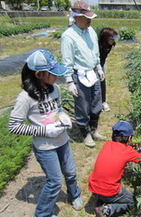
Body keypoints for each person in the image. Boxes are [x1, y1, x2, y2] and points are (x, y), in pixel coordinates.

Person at [8, 50, 83, 217]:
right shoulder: (25, 98)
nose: (57, 77)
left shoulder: (54, 89)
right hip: (45, 147)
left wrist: (63, 117)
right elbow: (14, 126)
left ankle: (74, 195)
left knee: (71, 172)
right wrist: (44, 130)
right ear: (38, 74)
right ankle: (42, 214)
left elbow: (58, 109)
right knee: (55, 181)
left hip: (62, 140)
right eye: (52, 73)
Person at [61, 0, 106, 148]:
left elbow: (95, 52)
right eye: (86, 18)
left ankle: (94, 129)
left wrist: (99, 68)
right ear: (76, 17)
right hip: (79, 75)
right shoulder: (68, 36)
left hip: (92, 72)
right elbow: (67, 61)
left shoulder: (91, 31)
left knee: (96, 104)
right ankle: (85, 133)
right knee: (82, 106)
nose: (89, 21)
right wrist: (69, 82)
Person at [88, 121, 141, 217]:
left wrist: (130, 147)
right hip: (110, 191)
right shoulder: (128, 152)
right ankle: (106, 210)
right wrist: (140, 151)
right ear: (129, 138)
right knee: (131, 201)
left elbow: (118, 152)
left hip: (93, 188)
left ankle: (102, 201)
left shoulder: (107, 144)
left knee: (105, 186)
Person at [98, 27, 120, 112]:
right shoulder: (97, 45)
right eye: (111, 38)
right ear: (105, 38)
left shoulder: (109, 45)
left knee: (102, 82)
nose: (113, 41)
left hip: (101, 64)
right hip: (93, 65)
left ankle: (103, 102)